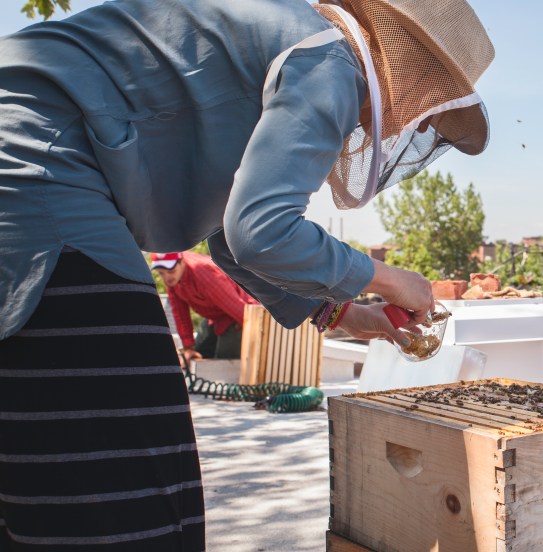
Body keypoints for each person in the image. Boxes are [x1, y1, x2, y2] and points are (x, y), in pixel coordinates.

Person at [0, 0, 494, 548]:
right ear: (413, 80)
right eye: (432, 111)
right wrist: (385, 277)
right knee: (128, 484)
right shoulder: (332, 62)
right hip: (34, 161)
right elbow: (261, 228)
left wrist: (345, 312)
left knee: (66, 460)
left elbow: (230, 240)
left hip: (33, 150)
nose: (419, 125)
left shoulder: (283, 48)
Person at [150, 251, 259, 364]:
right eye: (161, 273)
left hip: (242, 314)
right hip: (216, 316)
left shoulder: (203, 272)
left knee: (224, 362)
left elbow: (238, 308)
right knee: (197, 355)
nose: (167, 277)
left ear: (182, 263)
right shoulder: (173, 280)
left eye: (171, 271)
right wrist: (188, 348)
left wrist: (258, 336)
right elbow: (180, 314)